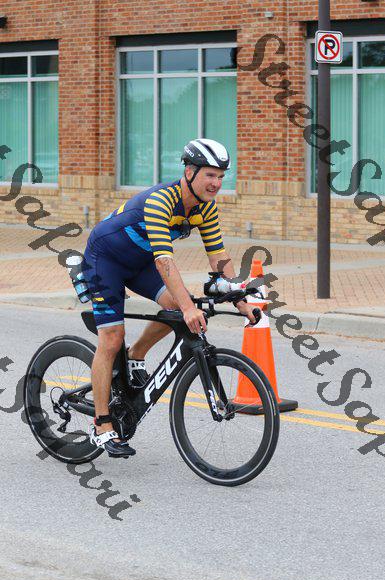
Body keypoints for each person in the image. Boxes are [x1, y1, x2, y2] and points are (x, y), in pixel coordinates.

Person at [82, 138, 257, 457]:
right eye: (210, 175)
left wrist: (240, 299)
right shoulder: (161, 201)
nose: (216, 183)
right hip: (105, 259)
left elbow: (218, 255)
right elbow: (165, 261)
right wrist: (189, 308)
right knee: (112, 337)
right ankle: (102, 423)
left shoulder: (205, 208)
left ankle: (136, 354)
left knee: (177, 307)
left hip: (139, 262)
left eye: (221, 176)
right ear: (190, 172)